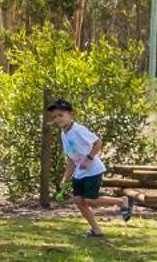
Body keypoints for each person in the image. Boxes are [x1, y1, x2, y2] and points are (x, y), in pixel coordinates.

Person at [46, 98, 126, 237]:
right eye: (54, 117)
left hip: (93, 170)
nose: (58, 119)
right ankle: (96, 230)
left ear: (71, 114)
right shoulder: (63, 134)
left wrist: (89, 159)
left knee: (89, 200)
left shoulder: (78, 130)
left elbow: (98, 143)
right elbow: (71, 159)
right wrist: (65, 178)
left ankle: (121, 201)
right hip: (80, 172)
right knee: (78, 201)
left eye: (61, 115)